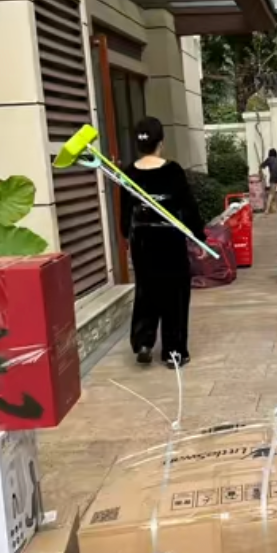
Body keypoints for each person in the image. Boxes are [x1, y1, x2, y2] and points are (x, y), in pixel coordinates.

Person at [119, 116, 206, 368]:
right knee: (175, 294)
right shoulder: (172, 170)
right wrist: (199, 235)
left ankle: (143, 342)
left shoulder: (129, 173)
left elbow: (125, 211)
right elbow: (188, 206)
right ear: (161, 142)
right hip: (169, 238)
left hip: (142, 240)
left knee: (146, 290)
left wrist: (126, 235)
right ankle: (174, 351)